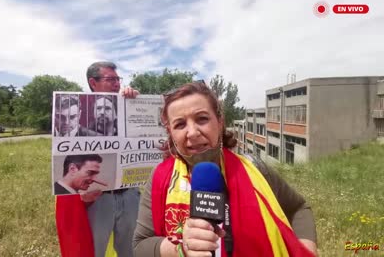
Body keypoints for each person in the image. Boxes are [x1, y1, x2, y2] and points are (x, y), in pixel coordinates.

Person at [133, 82, 318, 257]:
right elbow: (140, 246)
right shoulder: (159, 180)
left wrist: (306, 248)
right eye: (180, 124)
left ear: (220, 122)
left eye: (202, 119)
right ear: (171, 134)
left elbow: (298, 208)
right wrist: (181, 247)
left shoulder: (255, 169)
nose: (193, 132)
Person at [55, 61, 140, 257]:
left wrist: (136, 100)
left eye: (118, 79)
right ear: (93, 83)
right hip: (97, 198)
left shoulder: (128, 108)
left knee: (132, 251)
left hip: (129, 195)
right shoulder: (80, 124)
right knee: (94, 251)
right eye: (111, 79)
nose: (117, 84)